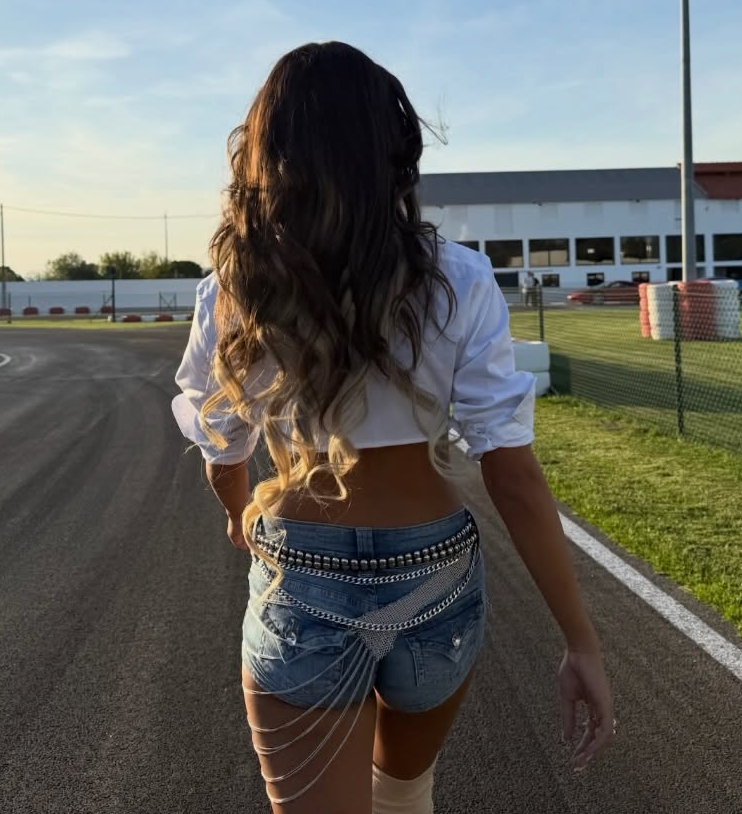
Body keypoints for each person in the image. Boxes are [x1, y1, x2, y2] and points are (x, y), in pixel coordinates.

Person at [172, 42, 613, 813]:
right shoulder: (460, 278)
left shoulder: (235, 287)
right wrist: (581, 642)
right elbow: (512, 474)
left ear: (267, 152)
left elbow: (222, 455)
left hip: (302, 572)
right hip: (435, 575)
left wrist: (239, 514)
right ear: (393, 150)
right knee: (404, 795)